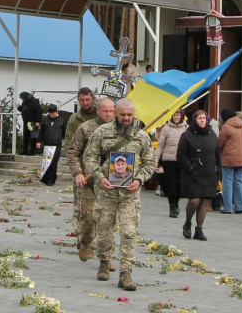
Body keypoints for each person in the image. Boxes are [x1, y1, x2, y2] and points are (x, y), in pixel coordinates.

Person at [83, 98, 154, 291]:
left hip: (130, 194)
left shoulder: (141, 135)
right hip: (107, 191)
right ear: (115, 113)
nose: (126, 118)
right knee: (105, 229)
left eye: (130, 115)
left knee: (129, 232)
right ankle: (104, 262)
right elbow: (89, 157)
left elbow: (150, 162)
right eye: (122, 114)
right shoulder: (102, 133)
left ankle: (126, 272)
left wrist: (139, 179)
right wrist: (98, 176)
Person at [177, 109, 219, 240]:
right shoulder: (187, 135)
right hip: (193, 173)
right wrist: (189, 165)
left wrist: (219, 172)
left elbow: (218, 154)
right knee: (195, 200)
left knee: (204, 201)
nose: (202, 120)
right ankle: (188, 222)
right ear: (195, 120)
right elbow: (180, 155)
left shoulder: (211, 134)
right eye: (200, 118)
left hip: (209, 172)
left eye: (204, 118)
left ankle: (199, 229)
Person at [63, 88, 98, 235]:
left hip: (98, 166)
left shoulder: (102, 115)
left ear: (93, 99)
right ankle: (79, 232)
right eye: (82, 100)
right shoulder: (74, 119)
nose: (85, 103)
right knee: (80, 202)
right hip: (81, 166)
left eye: (87, 100)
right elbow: (68, 144)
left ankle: (95, 232)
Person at [155, 110, 187, 218]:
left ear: (182, 116)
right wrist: (155, 161)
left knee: (179, 185)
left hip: (181, 160)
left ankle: (176, 202)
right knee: (170, 185)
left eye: (178, 115)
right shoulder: (166, 129)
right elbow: (160, 146)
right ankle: (172, 207)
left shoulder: (186, 128)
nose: (176, 117)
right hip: (168, 160)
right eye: (174, 115)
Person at [217, 108, 242, 214]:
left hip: (229, 158)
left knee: (227, 182)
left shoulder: (226, 127)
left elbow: (220, 143)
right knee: (240, 182)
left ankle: (228, 207)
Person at [37, 103, 67, 186]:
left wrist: (67, 142)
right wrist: (39, 141)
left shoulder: (62, 120)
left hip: (56, 144)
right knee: (46, 161)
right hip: (47, 143)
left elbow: (65, 132)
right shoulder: (46, 119)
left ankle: (52, 179)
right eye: (50, 114)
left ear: (56, 112)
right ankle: (45, 178)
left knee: (53, 162)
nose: (52, 116)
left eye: (53, 114)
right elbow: (42, 131)